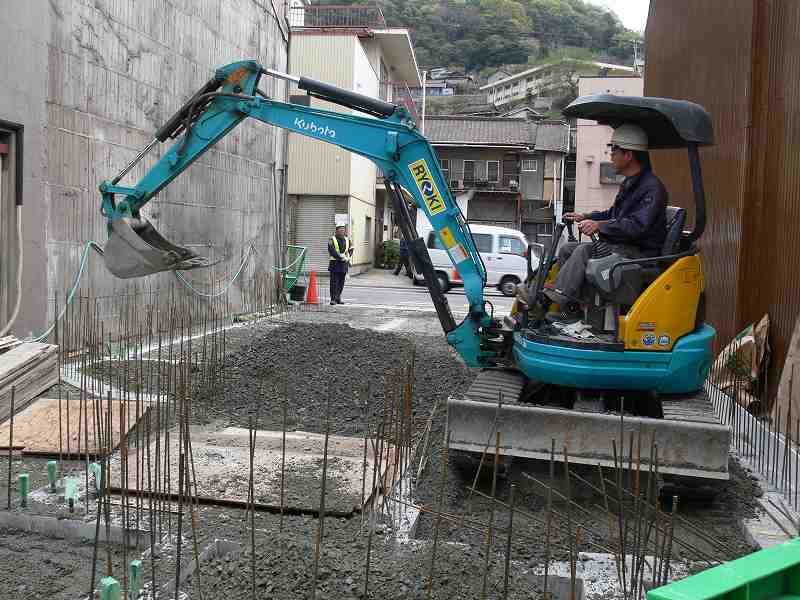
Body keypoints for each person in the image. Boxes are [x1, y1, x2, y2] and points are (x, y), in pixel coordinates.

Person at [545, 123, 668, 318]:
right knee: (568, 248)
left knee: (584, 250)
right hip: (623, 246)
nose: (610, 155)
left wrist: (599, 226)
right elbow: (614, 215)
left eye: (614, 150)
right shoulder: (631, 183)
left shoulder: (652, 188)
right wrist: (587, 217)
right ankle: (571, 305)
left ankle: (559, 298)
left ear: (628, 155)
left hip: (639, 253)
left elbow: (637, 226)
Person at [328, 224, 353, 305]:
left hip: (344, 264)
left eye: (343, 229)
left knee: (341, 282)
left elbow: (351, 249)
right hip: (335, 264)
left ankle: (338, 298)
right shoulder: (332, 239)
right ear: (336, 230)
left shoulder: (347, 239)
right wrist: (340, 257)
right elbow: (331, 250)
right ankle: (333, 299)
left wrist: (348, 257)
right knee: (334, 282)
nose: (342, 231)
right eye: (340, 229)